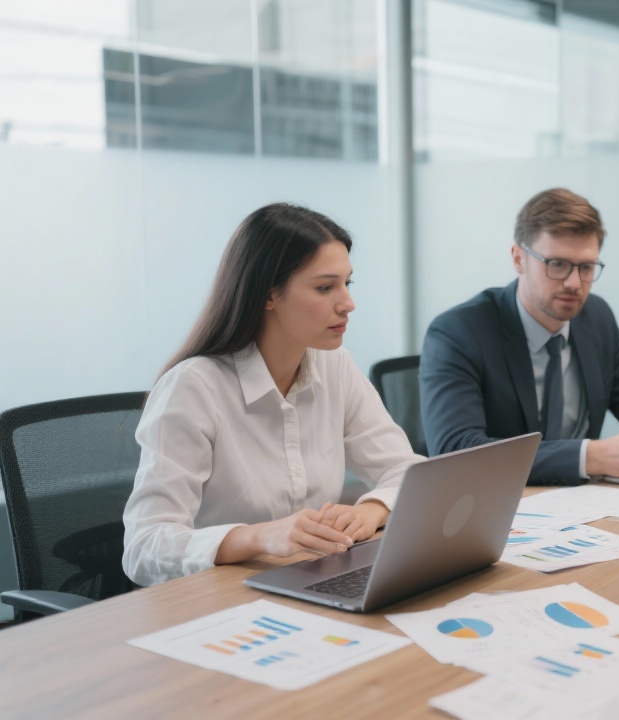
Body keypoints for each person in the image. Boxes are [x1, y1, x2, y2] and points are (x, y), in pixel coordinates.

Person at [123, 203, 423, 586]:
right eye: (325, 287)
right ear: (268, 295)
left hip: (310, 580)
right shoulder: (193, 387)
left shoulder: (335, 367)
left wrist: (374, 508)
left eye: (348, 284)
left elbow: (407, 470)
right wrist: (261, 536)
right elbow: (144, 547)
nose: (348, 303)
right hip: (218, 600)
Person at [420, 187, 619, 486]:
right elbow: (454, 452)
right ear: (519, 259)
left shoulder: (595, 318)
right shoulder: (459, 332)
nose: (574, 283)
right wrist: (592, 457)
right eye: (557, 265)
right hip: (501, 510)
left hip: (584, 507)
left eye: (586, 267)